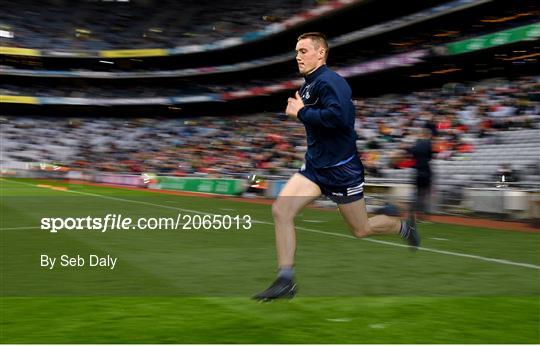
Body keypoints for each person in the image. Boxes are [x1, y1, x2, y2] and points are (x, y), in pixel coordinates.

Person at [253, 32, 420, 301]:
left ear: (321, 53)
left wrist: (301, 112)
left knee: (361, 229)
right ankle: (285, 280)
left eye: (304, 51)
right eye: (296, 51)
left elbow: (340, 118)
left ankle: (404, 227)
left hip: (342, 170)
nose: (298, 56)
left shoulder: (332, 81)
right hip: (316, 168)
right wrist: (303, 111)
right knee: (281, 210)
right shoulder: (309, 85)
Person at [409, 127, 433, 218]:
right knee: (424, 193)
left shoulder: (416, 144)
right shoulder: (428, 143)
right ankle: (422, 213)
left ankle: (412, 211)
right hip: (425, 170)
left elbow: (413, 155)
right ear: (427, 135)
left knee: (416, 192)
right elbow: (430, 157)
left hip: (417, 170)